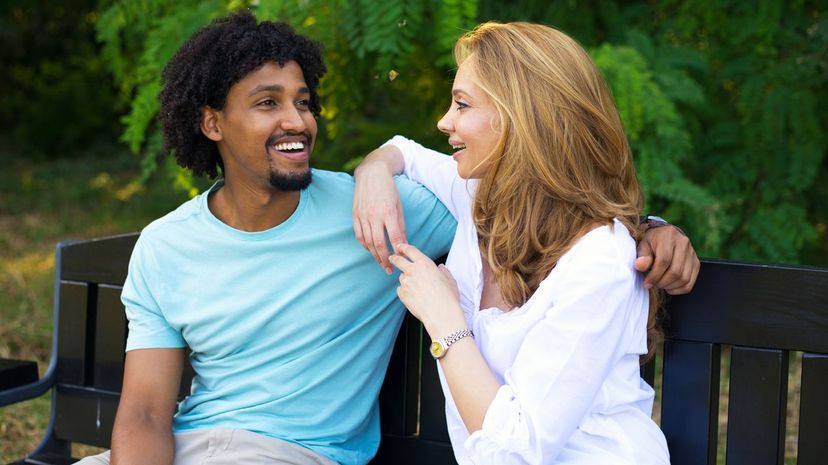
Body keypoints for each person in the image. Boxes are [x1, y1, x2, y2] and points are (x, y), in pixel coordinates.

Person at [78, 12, 696, 465]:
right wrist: (375, 167)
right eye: (267, 103)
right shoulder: (166, 247)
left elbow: (578, 226)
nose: (296, 120)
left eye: (302, 101)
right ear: (211, 123)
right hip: (189, 447)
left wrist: (650, 232)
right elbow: (145, 414)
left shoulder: (397, 215)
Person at [353, 22, 688, 464]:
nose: (444, 121)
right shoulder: (480, 198)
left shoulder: (601, 258)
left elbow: (517, 452)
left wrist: (443, 317)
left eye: (462, 105)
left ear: (522, 118)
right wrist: (373, 173)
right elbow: (403, 152)